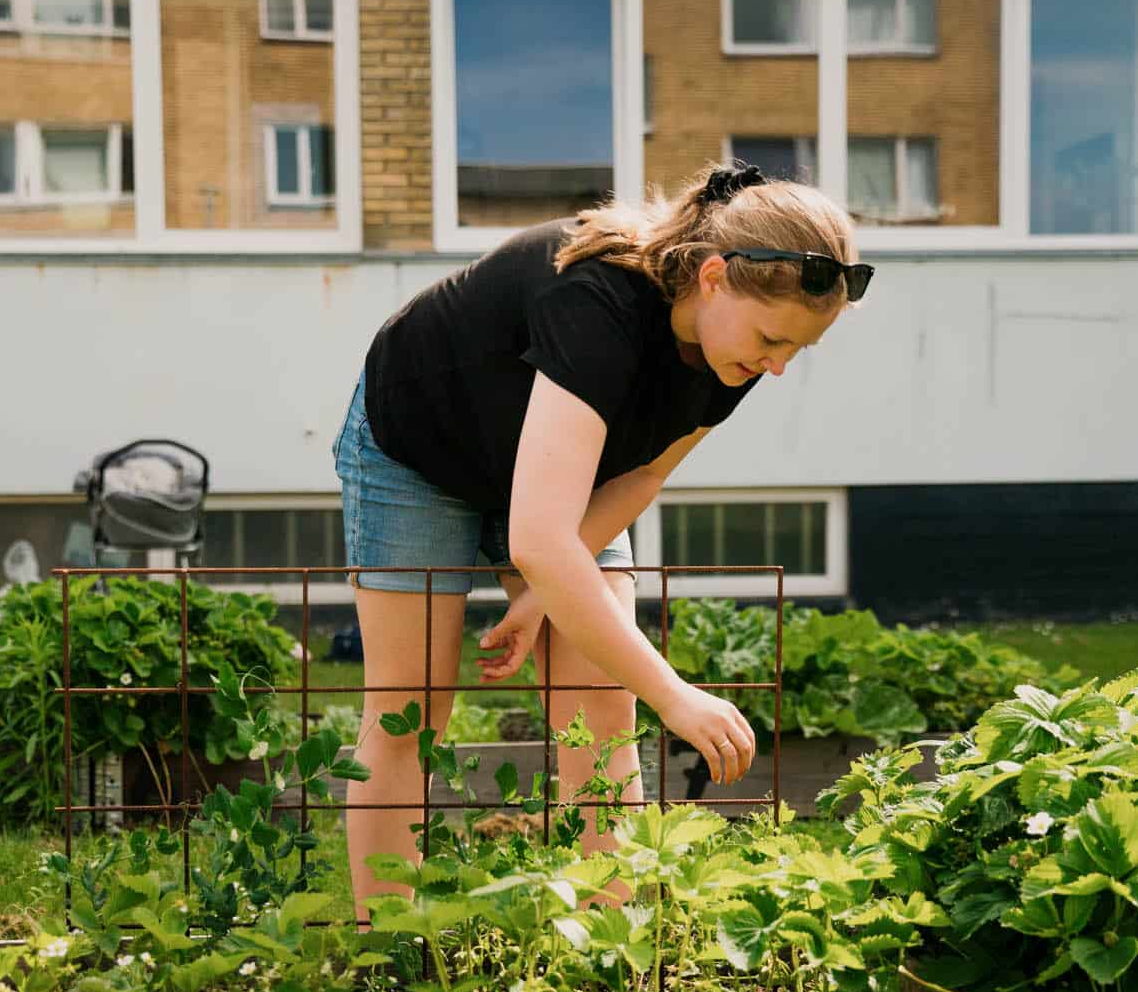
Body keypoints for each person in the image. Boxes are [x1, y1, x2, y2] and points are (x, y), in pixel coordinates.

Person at [330, 159, 871, 921]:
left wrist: (539, 600)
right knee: (407, 713)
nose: (776, 366)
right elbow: (541, 540)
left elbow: (641, 476)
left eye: (796, 351)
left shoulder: (732, 349)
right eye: (772, 339)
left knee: (600, 705)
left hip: (560, 479)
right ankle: (385, 946)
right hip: (423, 451)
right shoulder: (596, 302)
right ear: (712, 277)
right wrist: (676, 695)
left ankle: (609, 947)